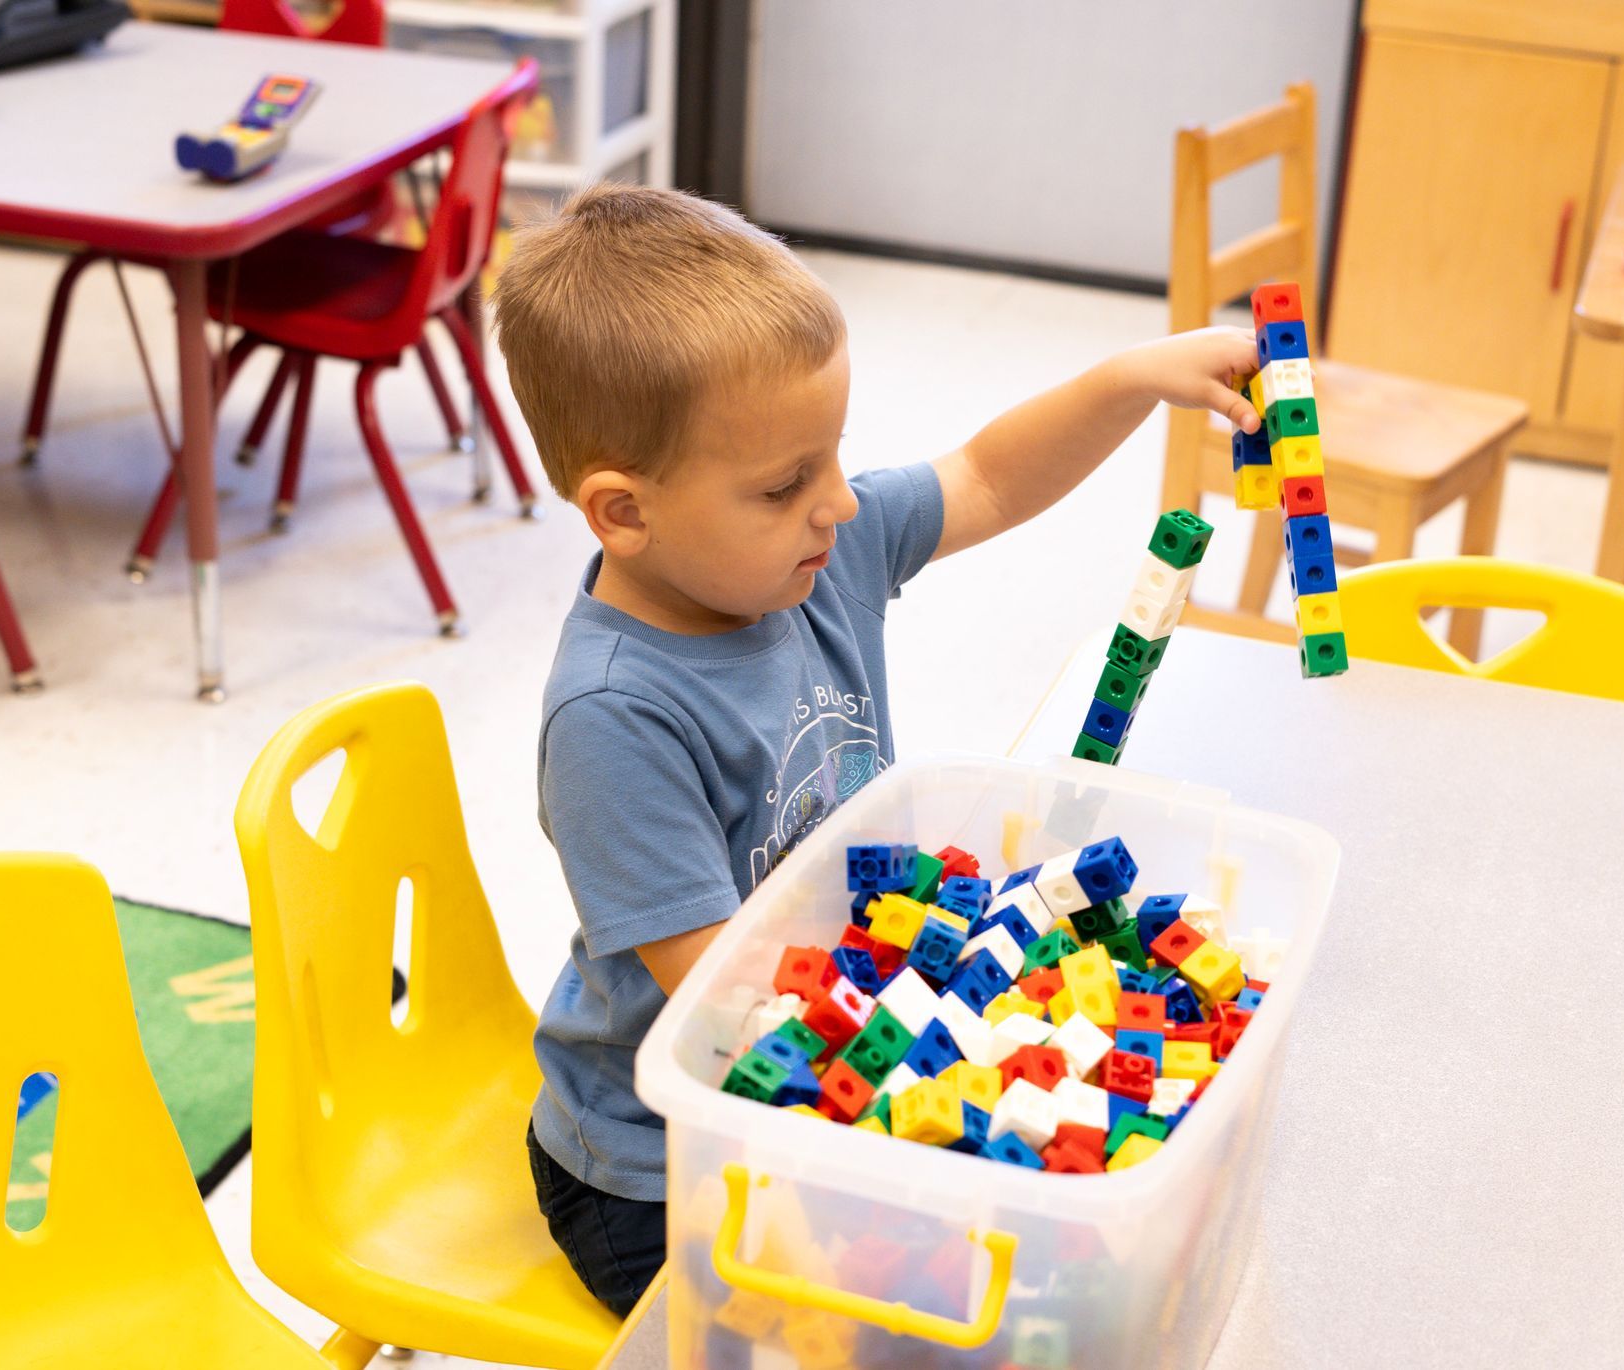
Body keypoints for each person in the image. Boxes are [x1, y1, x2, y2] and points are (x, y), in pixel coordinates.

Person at [492, 183, 1259, 1315]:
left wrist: (1128, 379)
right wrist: (969, 1054)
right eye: (784, 482)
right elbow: (732, 994)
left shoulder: (813, 558)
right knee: (917, 1322)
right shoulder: (615, 718)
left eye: (835, 457)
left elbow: (987, 475)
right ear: (623, 512)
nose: (840, 502)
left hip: (819, 1087)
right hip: (660, 1167)